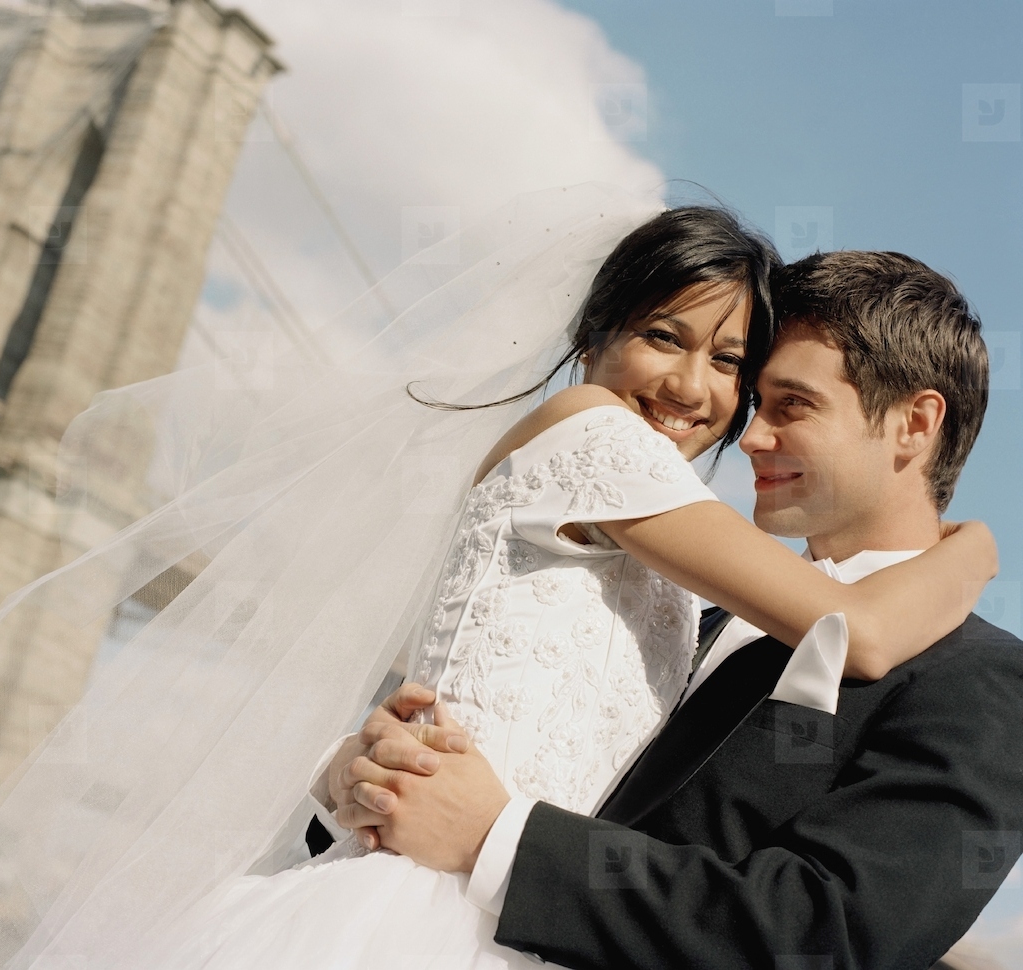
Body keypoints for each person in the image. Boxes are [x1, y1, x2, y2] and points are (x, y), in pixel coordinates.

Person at [124, 217, 997, 970]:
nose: (748, 429)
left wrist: (494, 835)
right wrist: (363, 778)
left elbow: (823, 936)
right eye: (752, 393)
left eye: (789, 401)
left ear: (917, 424)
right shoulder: (684, 600)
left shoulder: (985, 684)